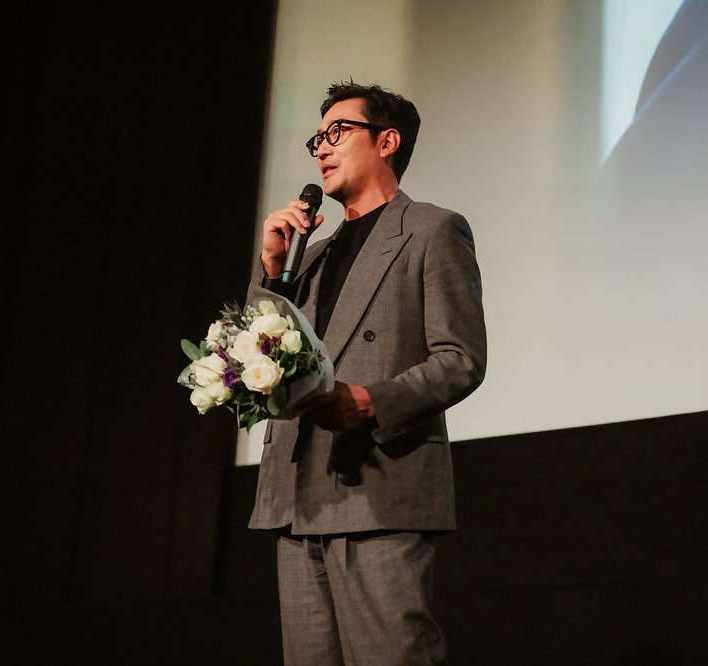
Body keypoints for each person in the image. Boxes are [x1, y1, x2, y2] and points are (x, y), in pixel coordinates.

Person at [247, 80, 487, 665]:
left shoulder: (432, 229)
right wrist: (273, 271)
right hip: (297, 496)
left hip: (379, 486)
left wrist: (371, 402)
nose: (323, 148)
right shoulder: (311, 255)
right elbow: (258, 356)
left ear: (387, 141)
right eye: (317, 139)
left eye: (337, 131)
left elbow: (460, 358)